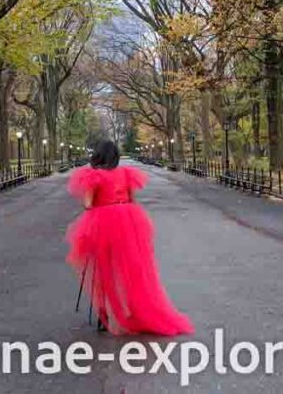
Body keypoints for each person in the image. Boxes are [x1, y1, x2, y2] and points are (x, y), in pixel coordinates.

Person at [66, 140, 194, 336]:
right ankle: (136, 311)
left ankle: (104, 315)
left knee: (103, 270)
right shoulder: (126, 174)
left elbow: (88, 204)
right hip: (129, 221)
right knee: (131, 269)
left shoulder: (94, 176)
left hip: (104, 223)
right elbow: (132, 200)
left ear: (97, 156)